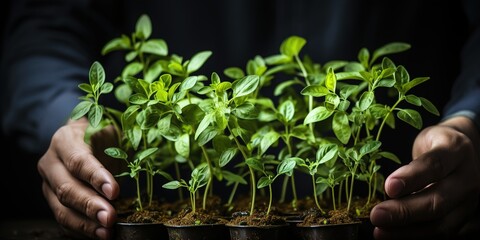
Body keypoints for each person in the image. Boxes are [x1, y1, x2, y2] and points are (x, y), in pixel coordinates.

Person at [1, 0, 479, 239]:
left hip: (401, 203)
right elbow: (49, 21)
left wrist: (469, 119)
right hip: (161, 198)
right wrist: (66, 119)